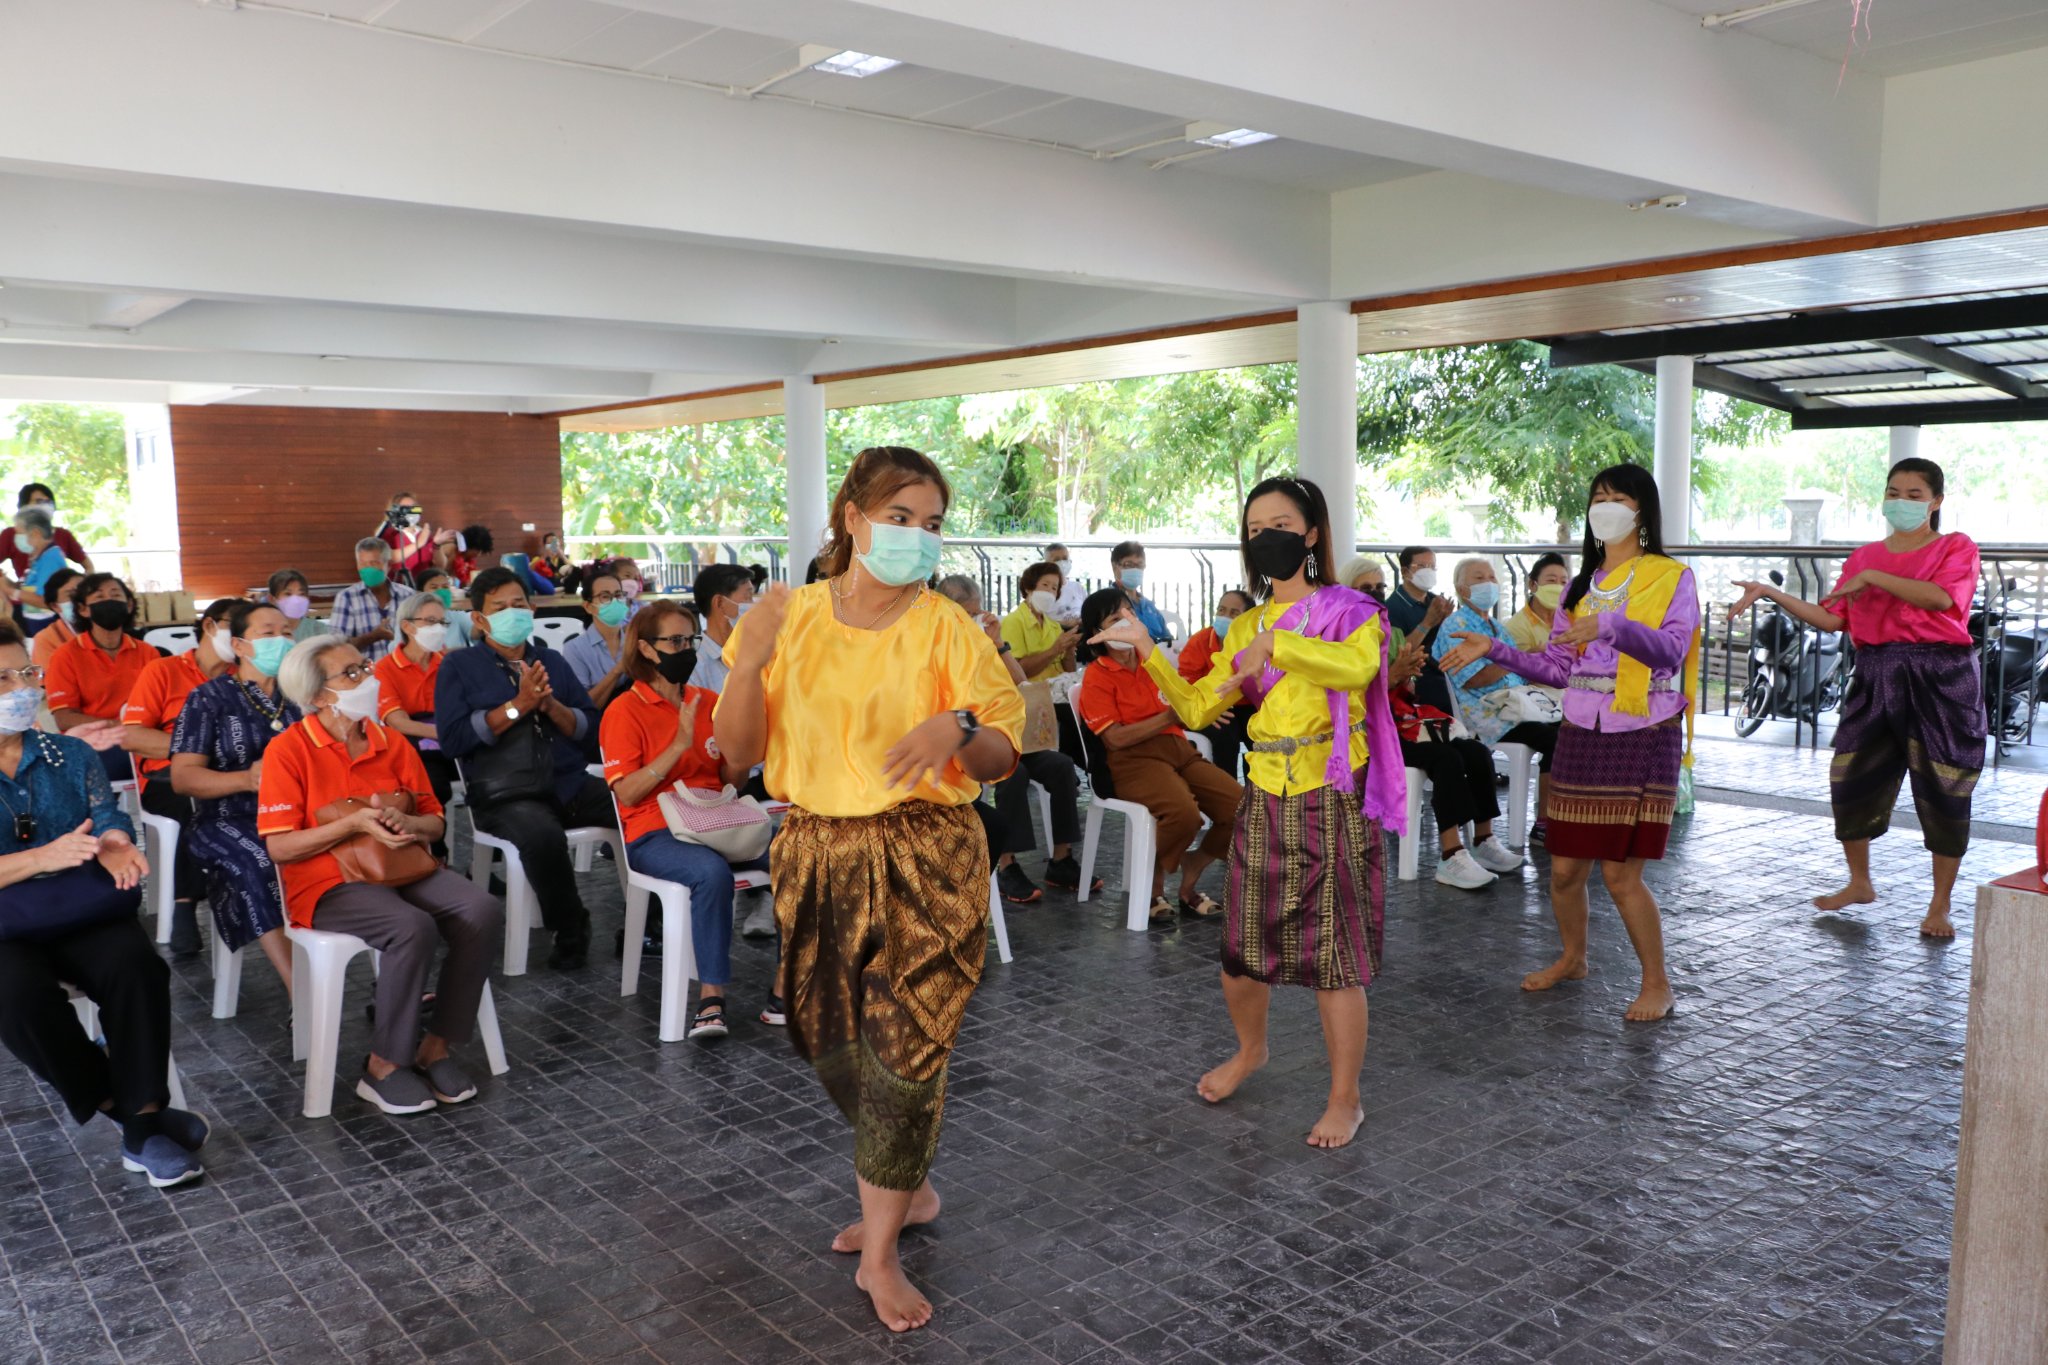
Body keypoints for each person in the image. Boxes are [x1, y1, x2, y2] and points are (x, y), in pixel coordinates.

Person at [713, 445, 1023, 1335]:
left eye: (932, 524)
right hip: (815, 847)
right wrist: (747, 663)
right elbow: (737, 754)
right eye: (900, 518)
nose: (918, 537)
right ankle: (905, 1177)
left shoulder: (947, 627)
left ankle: (880, 1253)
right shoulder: (794, 617)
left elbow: (1002, 751)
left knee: (905, 1049)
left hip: (928, 850)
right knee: (828, 1037)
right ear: (853, 518)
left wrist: (958, 725)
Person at [1097, 476, 1400, 1150]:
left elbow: (1356, 669)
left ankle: (1345, 1098)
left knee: (1334, 961)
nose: (1268, 537)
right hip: (1265, 791)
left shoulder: (1354, 610)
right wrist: (1147, 650)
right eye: (1256, 528)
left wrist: (1279, 647)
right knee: (1240, 953)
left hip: (1331, 790)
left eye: (1281, 525)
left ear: (1312, 533)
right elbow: (1200, 705)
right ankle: (1251, 1050)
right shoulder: (1246, 625)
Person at [1441, 464, 1700, 1022]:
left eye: (1618, 498)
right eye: (1598, 497)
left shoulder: (1672, 577)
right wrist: (1495, 649)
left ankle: (1657, 984)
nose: (1605, 507)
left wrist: (1612, 629)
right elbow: (1558, 668)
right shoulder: (1581, 586)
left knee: (1621, 875)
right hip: (1582, 729)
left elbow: (1672, 651)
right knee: (1563, 870)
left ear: (1642, 510)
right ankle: (1573, 958)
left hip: (1642, 729)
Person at [1732, 457, 1982, 938]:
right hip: (1876, 670)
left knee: (1944, 785)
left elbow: (1939, 599)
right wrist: (1769, 593)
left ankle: (1940, 905)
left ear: (1936, 501)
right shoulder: (1864, 557)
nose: (1901, 501)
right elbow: (1832, 618)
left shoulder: (1955, 546)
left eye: (1914, 494)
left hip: (1940, 672)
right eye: (1894, 492)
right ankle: (1860, 882)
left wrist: (1875, 579)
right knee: (1850, 774)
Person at [261, 637, 503, 1115]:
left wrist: (408, 823)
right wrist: (352, 824)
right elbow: (280, 847)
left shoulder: (390, 741)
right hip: (328, 882)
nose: (367, 679)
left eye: (365, 667)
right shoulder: (288, 750)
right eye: (350, 673)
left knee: (482, 909)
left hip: (401, 865)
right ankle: (384, 1065)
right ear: (318, 695)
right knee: (410, 926)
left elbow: (435, 821)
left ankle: (434, 1047)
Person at [0, 624, 202, 1188]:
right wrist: (41, 857)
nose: (22, 688)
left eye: (27, 673)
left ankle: (143, 1119)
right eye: (3, 678)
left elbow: (106, 812)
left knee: (137, 967)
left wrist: (114, 841)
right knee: (16, 997)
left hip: (76, 906)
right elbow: (47, 854)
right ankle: (131, 1113)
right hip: (6, 925)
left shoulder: (68, 753)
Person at [601, 604, 771, 1037]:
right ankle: (711, 997)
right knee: (710, 873)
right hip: (653, 831)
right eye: (675, 641)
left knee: (798, 857)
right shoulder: (625, 709)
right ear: (646, 648)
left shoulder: (708, 702)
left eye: (690, 640)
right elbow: (627, 792)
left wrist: (740, 758)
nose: (686, 649)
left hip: (715, 821)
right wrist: (677, 745)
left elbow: (731, 780)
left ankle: (791, 984)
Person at [434, 567, 610, 969]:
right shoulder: (459, 667)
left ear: (531, 610)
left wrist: (551, 706)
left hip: (567, 783)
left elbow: (589, 731)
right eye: (500, 608)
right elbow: (454, 740)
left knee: (635, 807)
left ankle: (653, 921)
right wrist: (519, 706)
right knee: (542, 835)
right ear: (479, 619)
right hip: (506, 793)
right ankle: (570, 927)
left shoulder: (551, 661)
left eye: (518, 605)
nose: (512, 613)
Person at [1076, 588, 1240, 919]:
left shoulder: (1153, 661)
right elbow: (1115, 739)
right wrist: (1169, 717)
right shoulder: (1097, 676)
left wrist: (1201, 712)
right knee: (1184, 814)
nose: (1126, 623)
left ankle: (1192, 869)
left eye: (1129, 614)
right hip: (1132, 760)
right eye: (1115, 618)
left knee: (1243, 808)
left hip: (1178, 750)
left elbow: (1187, 702)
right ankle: (1153, 884)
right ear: (1098, 632)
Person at [169, 602, 302, 995]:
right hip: (227, 818)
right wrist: (246, 779)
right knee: (260, 860)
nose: (281, 640)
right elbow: (183, 777)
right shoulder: (209, 698)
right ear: (240, 646)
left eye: (286, 633)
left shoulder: (303, 694)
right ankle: (301, 992)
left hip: (297, 814)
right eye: (268, 633)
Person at [941, 574, 1092, 904]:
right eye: (968, 614)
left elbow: (1020, 680)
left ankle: (1061, 860)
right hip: (969, 744)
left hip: (1008, 735)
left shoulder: (984, 644)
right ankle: (1007, 864)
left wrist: (997, 643)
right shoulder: (939, 647)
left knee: (1060, 765)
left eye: (977, 612)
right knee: (1014, 774)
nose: (974, 619)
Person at [121, 597, 244, 955]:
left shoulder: (243, 678)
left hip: (233, 775)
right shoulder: (163, 671)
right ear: (210, 625)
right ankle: (184, 903)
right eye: (234, 626)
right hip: (167, 777)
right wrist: (196, 752)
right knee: (191, 798)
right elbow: (133, 736)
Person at [1389, 627, 1523, 890]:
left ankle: (1483, 840)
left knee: (1477, 752)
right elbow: (1351, 693)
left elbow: (1406, 690)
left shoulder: (1390, 633)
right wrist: (1391, 676)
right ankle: (1451, 854)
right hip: (1375, 734)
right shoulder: (1343, 635)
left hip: (1405, 720)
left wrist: (1407, 677)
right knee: (1446, 759)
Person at [1433, 557, 1559, 799]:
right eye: (1479, 578)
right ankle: (1546, 814)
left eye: (1492, 577)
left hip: (1517, 704)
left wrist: (1535, 661)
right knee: (1555, 740)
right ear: (1462, 590)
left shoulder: (1496, 627)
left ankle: (1565, 807)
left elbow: (1519, 671)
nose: (1489, 583)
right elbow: (1472, 679)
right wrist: (1515, 659)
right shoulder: (1455, 626)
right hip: (1488, 712)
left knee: (1570, 728)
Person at [45, 573, 151, 784]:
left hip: (141, 738)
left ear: (129, 605)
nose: (109, 601)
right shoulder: (65, 656)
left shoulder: (148, 653)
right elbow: (64, 717)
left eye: (115, 595)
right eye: (99, 597)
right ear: (83, 609)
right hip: (95, 742)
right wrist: (116, 726)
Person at [372, 591, 458, 839]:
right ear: (407, 626)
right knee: (432, 786)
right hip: (417, 741)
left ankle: (493, 848)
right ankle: (435, 849)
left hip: (454, 737)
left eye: (442, 622)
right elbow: (397, 721)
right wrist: (443, 733)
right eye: (430, 621)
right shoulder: (386, 667)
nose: (438, 629)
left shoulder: (449, 663)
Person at [1177, 589, 1256, 779]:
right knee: (1225, 735)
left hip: (1245, 704)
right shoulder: (1200, 641)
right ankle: (1229, 790)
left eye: (1234, 613)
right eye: (1221, 610)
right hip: (1208, 704)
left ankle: (1257, 789)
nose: (1225, 616)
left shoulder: (1255, 642)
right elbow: (1185, 684)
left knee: (1263, 735)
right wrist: (1209, 709)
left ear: (1246, 619)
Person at [1383, 546, 1454, 710]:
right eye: (1421, 566)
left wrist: (1447, 622)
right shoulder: (1392, 608)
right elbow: (1398, 652)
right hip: (1417, 679)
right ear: (1405, 571)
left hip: (1442, 671)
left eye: (1432, 567)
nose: (1428, 571)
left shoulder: (1436, 601)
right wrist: (1427, 623)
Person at [332, 539, 414, 664]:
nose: (367, 569)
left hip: (405, 670)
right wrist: (373, 636)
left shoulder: (408, 596)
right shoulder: (346, 598)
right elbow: (337, 647)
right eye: (362, 564)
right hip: (367, 673)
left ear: (389, 565)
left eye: (374, 563)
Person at [998, 562, 1079, 684]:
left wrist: (1069, 650)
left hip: (1059, 689)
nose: (1049, 591)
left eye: (1054, 588)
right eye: (1045, 585)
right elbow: (1017, 672)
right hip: (1033, 692)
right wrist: (1055, 649)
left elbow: (1070, 671)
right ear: (1028, 588)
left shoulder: (1054, 626)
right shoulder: (1013, 622)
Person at [562, 570, 632, 707]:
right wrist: (618, 670)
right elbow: (583, 706)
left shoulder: (635, 641)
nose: (614, 602)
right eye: (605, 596)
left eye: (618, 595)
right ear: (588, 607)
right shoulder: (575, 649)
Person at [0, 483, 93, 579]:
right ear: (24, 506)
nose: (44, 506)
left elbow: (89, 566)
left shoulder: (62, 536)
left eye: (48, 502)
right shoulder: (10, 534)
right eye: (39, 501)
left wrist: (79, 585)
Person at [688, 564, 755, 695]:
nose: (753, 605)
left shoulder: (757, 652)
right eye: (748, 597)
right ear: (720, 603)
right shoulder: (694, 668)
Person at [1110, 541, 1174, 645]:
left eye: (1140, 565)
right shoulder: (1108, 603)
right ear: (1114, 567)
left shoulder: (1148, 605)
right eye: (1128, 564)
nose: (1135, 569)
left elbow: (1168, 639)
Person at [376, 491, 452, 579]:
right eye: (405, 509)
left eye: (414, 507)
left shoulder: (423, 533)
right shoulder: (388, 532)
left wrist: (437, 545)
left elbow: (441, 565)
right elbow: (389, 557)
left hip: (422, 584)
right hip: (398, 584)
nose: (411, 512)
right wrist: (418, 544)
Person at [1507, 553, 1571, 652]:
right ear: (1532, 585)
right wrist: (1533, 655)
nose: (1558, 587)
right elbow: (1514, 660)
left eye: (1563, 582)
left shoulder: (1572, 618)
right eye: (1551, 580)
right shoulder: (1516, 626)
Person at [31, 568, 82, 668]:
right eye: (71, 595)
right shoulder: (46, 639)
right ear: (55, 606)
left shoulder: (109, 627)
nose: (80, 600)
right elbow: (48, 677)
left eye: (85, 592)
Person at [414, 568, 474, 649]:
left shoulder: (457, 616)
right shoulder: (410, 621)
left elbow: (476, 634)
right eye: (434, 587)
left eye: (445, 587)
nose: (441, 591)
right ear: (420, 593)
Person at [266, 569, 330, 644]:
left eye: (301, 594)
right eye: (288, 594)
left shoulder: (318, 630)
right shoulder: (264, 631)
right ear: (272, 599)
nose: (296, 600)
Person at [1043, 542, 1087, 621]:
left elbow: (1089, 611)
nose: (1062, 563)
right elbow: (1038, 620)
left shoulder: (1078, 587)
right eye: (1057, 559)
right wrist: (1064, 625)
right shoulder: (1042, 591)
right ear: (1047, 564)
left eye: (1065, 558)